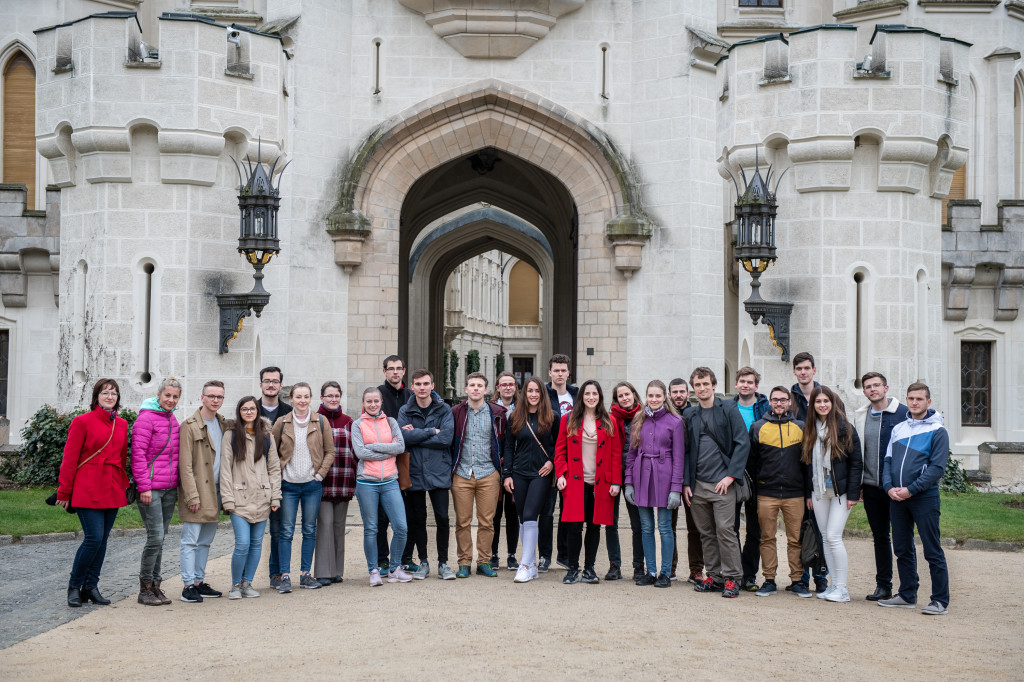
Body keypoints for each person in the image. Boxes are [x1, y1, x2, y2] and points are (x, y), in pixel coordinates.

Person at [57, 379, 130, 608]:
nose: (110, 397)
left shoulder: (122, 424)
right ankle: (74, 586)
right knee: (93, 538)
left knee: (103, 541)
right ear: (96, 396)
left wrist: (124, 485)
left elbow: (122, 457)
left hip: (112, 487)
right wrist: (65, 491)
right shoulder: (82, 422)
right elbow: (70, 459)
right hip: (88, 485)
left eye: (114, 394)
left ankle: (91, 586)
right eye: (105, 393)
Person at [879, 382, 950, 615]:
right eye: (911, 398)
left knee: (932, 549)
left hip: (924, 497)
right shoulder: (899, 428)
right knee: (902, 547)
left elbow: (937, 468)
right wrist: (889, 487)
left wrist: (911, 489)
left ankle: (940, 600)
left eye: (920, 399)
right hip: (897, 497)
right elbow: (888, 461)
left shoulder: (938, 430)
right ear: (907, 400)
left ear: (928, 402)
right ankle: (907, 595)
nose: (915, 402)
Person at [682, 367, 749, 599]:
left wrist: (731, 476)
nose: (702, 388)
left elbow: (742, 442)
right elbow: (687, 451)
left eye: (705, 384)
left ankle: (732, 578)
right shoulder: (690, 415)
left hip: (723, 483)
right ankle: (715, 576)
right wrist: (686, 483)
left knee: (725, 530)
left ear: (714, 385)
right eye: (698, 385)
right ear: (694, 388)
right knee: (706, 533)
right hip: (698, 484)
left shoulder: (729, 409)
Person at [554, 379, 621, 584]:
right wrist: (561, 475)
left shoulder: (610, 421)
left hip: (600, 482)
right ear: (581, 397)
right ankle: (573, 568)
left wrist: (616, 482)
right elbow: (559, 451)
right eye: (587, 394)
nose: (591, 397)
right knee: (574, 526)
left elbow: (616, 455)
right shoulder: (569, 419)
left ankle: (589, 569)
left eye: (595, 394)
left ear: (599, 397)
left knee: (594, 526)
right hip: (575, 481)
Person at [801, 385, 863, 603]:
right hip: (818, 491)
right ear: (813, 405)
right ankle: (834, 585)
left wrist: (854, 493)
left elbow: (856, 463)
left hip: (840, 492)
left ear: (832, 403)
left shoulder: (845, 427)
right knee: (825, 538)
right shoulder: (810, 428)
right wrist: (809, 493)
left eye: (826, 401)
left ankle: (843, 589)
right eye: (818, 402)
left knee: (834, 537)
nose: (822, 405)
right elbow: (807, 464)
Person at [272, 382, 335, 593]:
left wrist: (319, 475)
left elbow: (330, 452)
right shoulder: (281, 423)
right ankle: (285, 576)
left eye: (306, 396)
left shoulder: (321, 422)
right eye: (298, 396)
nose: (302, 400)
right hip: (288, 486)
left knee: (309, 530)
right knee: (286, 531)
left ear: (311, 398)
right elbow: (272, 454)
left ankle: (305, 574)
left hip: (311, 485)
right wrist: (278, 478)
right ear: (291, 399)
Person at [748, 387, 811, 598]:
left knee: (796, 539)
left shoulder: (801, 427)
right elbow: (753, 462)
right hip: (767, 492)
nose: (779, 403)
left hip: (795, 493)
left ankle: (797, 580)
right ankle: (769, 580)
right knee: (767, 538)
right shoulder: (758, 427)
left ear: (790, 402)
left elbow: (807, 462)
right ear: (770, 403)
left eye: (783, 400)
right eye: (775, 400)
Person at [854, 371, 909, 602]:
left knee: (902, 537)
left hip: (896, 488)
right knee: (880, 537)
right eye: (868, 386)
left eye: (877, 385)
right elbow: (857, 452)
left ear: (886, 388)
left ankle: (907, 588)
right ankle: (883, 585)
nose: (872, 389)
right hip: (871, 487)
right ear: (864, 391)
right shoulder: (861, 416)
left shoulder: (904, 413)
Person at [624, 380, 685, 588]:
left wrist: (676, 488)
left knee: (665, 527)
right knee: (646, 527)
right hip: (642, 476)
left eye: (658, 396)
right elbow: (631, 455)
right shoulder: (638, 419)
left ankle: (665, 573)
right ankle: (650, 571)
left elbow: (679, 458)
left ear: (665, 397)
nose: (654, 399)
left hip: (665, 477)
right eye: (651, 396)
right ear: (646, 396)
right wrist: (629, 482)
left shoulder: (675, 422)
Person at [397, 369, 456, 580]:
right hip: (414, 472)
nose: (422, 388)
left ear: (433, 386)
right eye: (418, 384)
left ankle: (443, 563)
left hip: (439, 471)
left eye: (426, 384)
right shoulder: (405, 409)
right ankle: (423, 561)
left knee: (442, 517)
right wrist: (431, 431)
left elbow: (446, 439)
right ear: (412, 386)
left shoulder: (444, 410)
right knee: (417, 518)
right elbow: (403, 438)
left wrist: (416, 435)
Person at [221, 396, 281, 599]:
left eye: (252, 408)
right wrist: (227, 499)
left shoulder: (266, 435)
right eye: (244, 409)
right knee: (242, 543)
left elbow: (274, 468)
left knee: (256, 544)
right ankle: (235, 585)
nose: (249, 412)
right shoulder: (231, 435)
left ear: (257, 411)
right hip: (239, 499)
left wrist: (275, 497)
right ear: (239, 411)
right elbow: (225, 470)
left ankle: (248, 583)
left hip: (262, 497)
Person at [450, 372, 507, 578]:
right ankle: (464, 562)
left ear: (486, 390)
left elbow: (504, 443)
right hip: (462, 473)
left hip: (488, 473)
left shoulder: (497, 413)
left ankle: (484, 561)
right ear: (466, 389)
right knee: (462, 521)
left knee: (486, 521)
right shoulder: (456, 412)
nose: (475, 388)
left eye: (479, 385)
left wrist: (502, 470)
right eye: (472, 385)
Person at [352, 387, 410, 586]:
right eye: (369, 401)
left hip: (390, 482)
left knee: (401, 527)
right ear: (364, 403)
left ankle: (394, 568)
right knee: (371, 528)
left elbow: (400, 447)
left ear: (381, 402)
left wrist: (374, 447)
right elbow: (360, 453)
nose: (373, 404)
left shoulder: (391, 422)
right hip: (366, 482)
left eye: (376, 401)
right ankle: (374, 570)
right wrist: (388, 450)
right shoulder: (357, 425)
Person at [132, 376, 182, 606]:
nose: (171, 400)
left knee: (161, 539)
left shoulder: (173, 420)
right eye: (167, 395)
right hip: (151, 489)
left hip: (169, 488)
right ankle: (144, 588)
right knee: (156, 537)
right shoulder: (146, 419)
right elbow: (138, 455)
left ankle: (156, 586)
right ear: (159, 395)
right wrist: (144, 486)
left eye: (175, 396)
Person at [178, 379, 229, 603]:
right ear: (202, 398)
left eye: (219, 397)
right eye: (211, 396)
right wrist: (191, 495)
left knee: (206, 540)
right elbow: (185, 465)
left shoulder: (224, 424)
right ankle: (188, 585)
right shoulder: (189, 425)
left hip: (217, 490)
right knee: (190, 539)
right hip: (198, 491)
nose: (215, 400)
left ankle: (199, 581)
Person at [502, 376, 557, 583]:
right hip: (519, 472)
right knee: (522, 517)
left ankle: (524, 565)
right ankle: (532, 564)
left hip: (540, 473)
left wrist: (552, 462)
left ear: (542, 394)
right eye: (530, 391)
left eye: (537, 391)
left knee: (531, 515)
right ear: (524, 393)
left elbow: (560, 446)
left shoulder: (553, 417)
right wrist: (507, 474)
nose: (533, 394)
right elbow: (508, 446)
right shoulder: (515, 416)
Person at [789, 352, 827, 594]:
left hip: (822, 468)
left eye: (807, 368)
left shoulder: (826, 396)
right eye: (799, 368)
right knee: (801, 527)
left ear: (814, 369)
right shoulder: (789, 398)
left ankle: (821, 577)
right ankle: (801, 578)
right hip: (796, 468)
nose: (803, 372)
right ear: (795, 371)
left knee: (821, 527)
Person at [313, 381, 355, 586]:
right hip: (321, 481)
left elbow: (354, 451)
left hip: (344, 480)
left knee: (339, 526)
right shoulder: (315, 420)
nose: (333, 399)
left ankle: (337, 570)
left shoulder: (348, 421)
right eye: (329, 396)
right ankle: (323, 571)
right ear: (322, 398)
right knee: (325, 525)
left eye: (336, 396)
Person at [732, 367, 769, 592]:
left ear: (756, 386)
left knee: (755, 528)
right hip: (733, 471)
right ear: (736, 384)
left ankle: (749, 574)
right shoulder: (727, 407)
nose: (745, 385)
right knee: (731, 526)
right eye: (742, 381)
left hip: (759, 472)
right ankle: (734, 571)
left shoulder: (765, 407)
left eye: (750, 382)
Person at [376, 355, 413, 575]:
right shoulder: (377, 395)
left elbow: (416, 427)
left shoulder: (410, 395)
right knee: (381, 516)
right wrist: (400, 432)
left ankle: (406, 556)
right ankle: (382, 559)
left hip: (407, 459)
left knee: (407, 513)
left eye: (399, 368)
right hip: (384, 460)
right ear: (385, 372)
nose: (395, 372)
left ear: (404, 371)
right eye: (391, 369)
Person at [541, 353, 576, 571]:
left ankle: (564, 554)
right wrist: (551, 458)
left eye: (563, 370)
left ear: (568, 373)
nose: (560, 374)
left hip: (572, 460)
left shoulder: (577, 395)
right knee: (546, 511)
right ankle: (544, 556)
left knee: (567, 510)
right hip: (548, 459)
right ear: (550, 372)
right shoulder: (541, 394)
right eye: (556, 370)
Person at [258, 366, 291, 590]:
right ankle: (243, 577)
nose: (271, 385)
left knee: (279, 529)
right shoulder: (249, 408)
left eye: (275, 381)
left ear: (280, 385)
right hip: (254, 479)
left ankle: (277, 573)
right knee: (253, 530)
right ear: (260, 384)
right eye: (267, 381)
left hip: (282, 478)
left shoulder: (289, 411)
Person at [670, 377, 704, 584]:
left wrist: (688, 481)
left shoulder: (695, 415)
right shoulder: (664, 415)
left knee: (695, 526)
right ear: (669, 394)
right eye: (674, 392)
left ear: (688, 393)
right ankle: (670, 567)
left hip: (692, 477)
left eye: (682, 392)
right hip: (668, 477)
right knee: (668, 526)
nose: (678, 395)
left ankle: (696, 569)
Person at [608, 381, 643, 581]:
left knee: (637, 523)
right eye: (620, 396)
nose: (624, 398)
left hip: (636, 474)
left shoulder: (644, 416)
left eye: (627, 394)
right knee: (611, 522)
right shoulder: (610, 418)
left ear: (633, 394)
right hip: (614, 472)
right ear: (616, 400)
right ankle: (615, 565)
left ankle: (639, 565)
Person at [489, 371, 520, 570]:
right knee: (494, 514)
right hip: (494, 465)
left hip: (516, 466)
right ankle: (493, 554)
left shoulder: (522, 409)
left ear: (515, 387)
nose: (507, 387)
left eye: (511, 384)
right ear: (498, 388)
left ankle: (511, 554)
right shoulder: (490, 409)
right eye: (503, 384)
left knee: (512, 513)